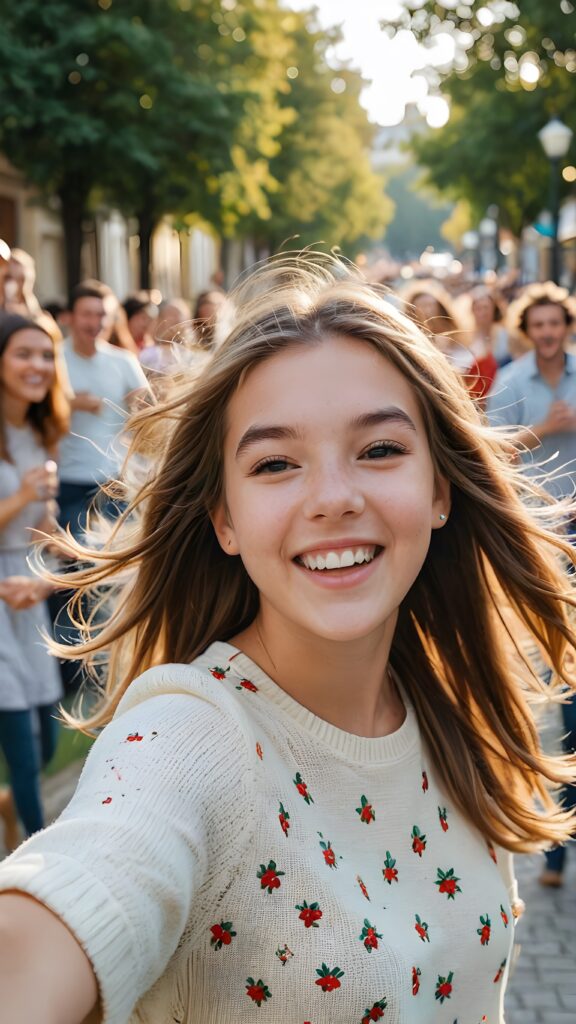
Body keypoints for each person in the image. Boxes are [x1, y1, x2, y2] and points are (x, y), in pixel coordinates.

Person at [0, 254, 575, 1024]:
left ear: (439, 488)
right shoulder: (188, 737)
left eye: (379, 449)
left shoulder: (442, 703)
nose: (333, 498)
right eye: (275, 463)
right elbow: (67, 903)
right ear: (224, 519)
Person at [487, 283, 576, 888]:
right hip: (542, 537)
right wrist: (544, 427)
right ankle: (556, 844)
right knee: (559, 671)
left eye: (555, 323)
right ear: (528, 329)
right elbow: (490, 452)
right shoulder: (512, 381)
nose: (547, 333)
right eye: (537, 324)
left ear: (565, 326)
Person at [0, 314, 69, 851]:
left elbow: (46, 532)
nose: (38, 366)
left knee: (47, 741)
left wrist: (46, 578)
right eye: (24, 353)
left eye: (46, 355)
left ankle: (7, 806)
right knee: (23, 751)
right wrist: (22, 497)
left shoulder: (43, 433)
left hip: (28, 587)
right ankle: (35, 864)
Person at [58, 280, 149, 538]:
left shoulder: (123, 361)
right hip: (68, 480)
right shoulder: (52, 359)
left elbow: (149, 412)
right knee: (76, 558)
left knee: (117, 555)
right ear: (70, 317)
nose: (95, 322)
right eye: (87, 314)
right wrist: (67, 403)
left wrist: (142, 410)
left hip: (115, 480)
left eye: (102, 315)